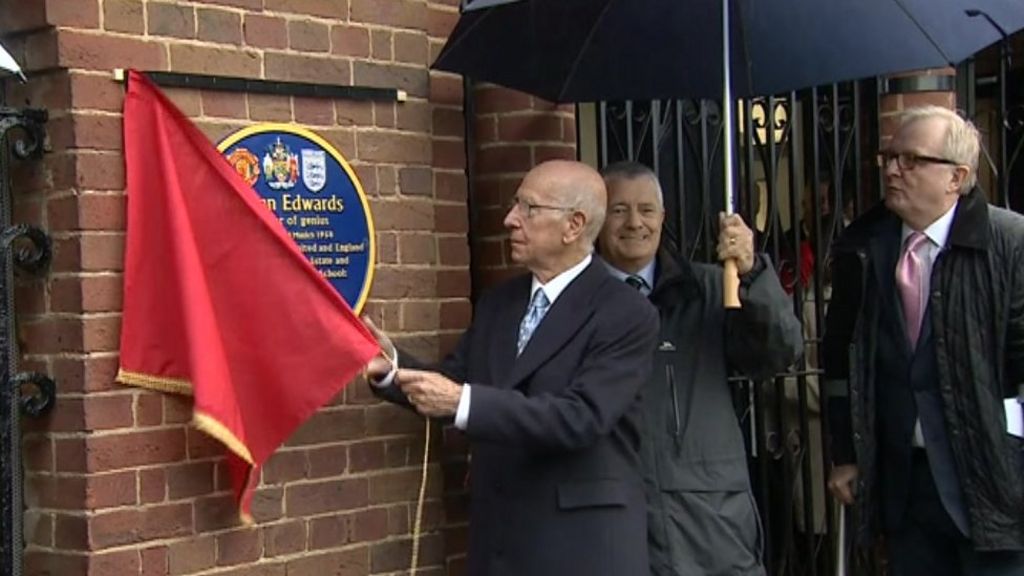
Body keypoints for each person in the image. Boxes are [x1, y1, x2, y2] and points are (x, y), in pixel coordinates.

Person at [363, 160, 659, 576]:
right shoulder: (499, 303)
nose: (510, 219)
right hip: (500, 542)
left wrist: (463, 403)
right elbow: (455, 380)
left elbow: (582, 416)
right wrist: (391, 367)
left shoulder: (624, 312)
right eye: (515, 204)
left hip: (580, 546)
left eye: (528, 208)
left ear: (573, 225)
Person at [824, 106, 1024, 576]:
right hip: (906, 485)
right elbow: (840, 359)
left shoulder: (1009, 242)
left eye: (912, 160)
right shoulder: (862, 246)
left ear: (957, 177)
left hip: (992, 480)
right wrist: (846, 454)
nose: (893, 170)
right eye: (889, 157)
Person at [596, 161, 803, 576]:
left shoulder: (708, 289)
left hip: (708, 524)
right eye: (619, 210)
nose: (634, 222)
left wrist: (752, 274)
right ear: (598, 219)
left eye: (646, 210)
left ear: (663, 217)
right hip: (610, 516)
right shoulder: (576, 300)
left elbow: (779, 352)